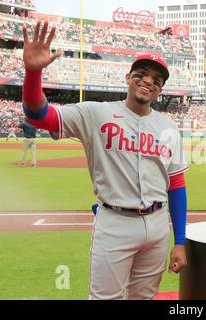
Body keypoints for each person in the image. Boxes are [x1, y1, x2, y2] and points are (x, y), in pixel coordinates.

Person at [21, 21, 188, 300]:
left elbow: (177, 184)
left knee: (144, 298)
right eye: (142, 74)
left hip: (158, 225)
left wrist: (180, 241)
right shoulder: (96, 113)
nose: (148, 81)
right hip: (115, 223)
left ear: (160, 90)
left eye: (156, 80)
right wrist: (33, 73)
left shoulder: (168, 128)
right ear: (128, 77)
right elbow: (40, 116)